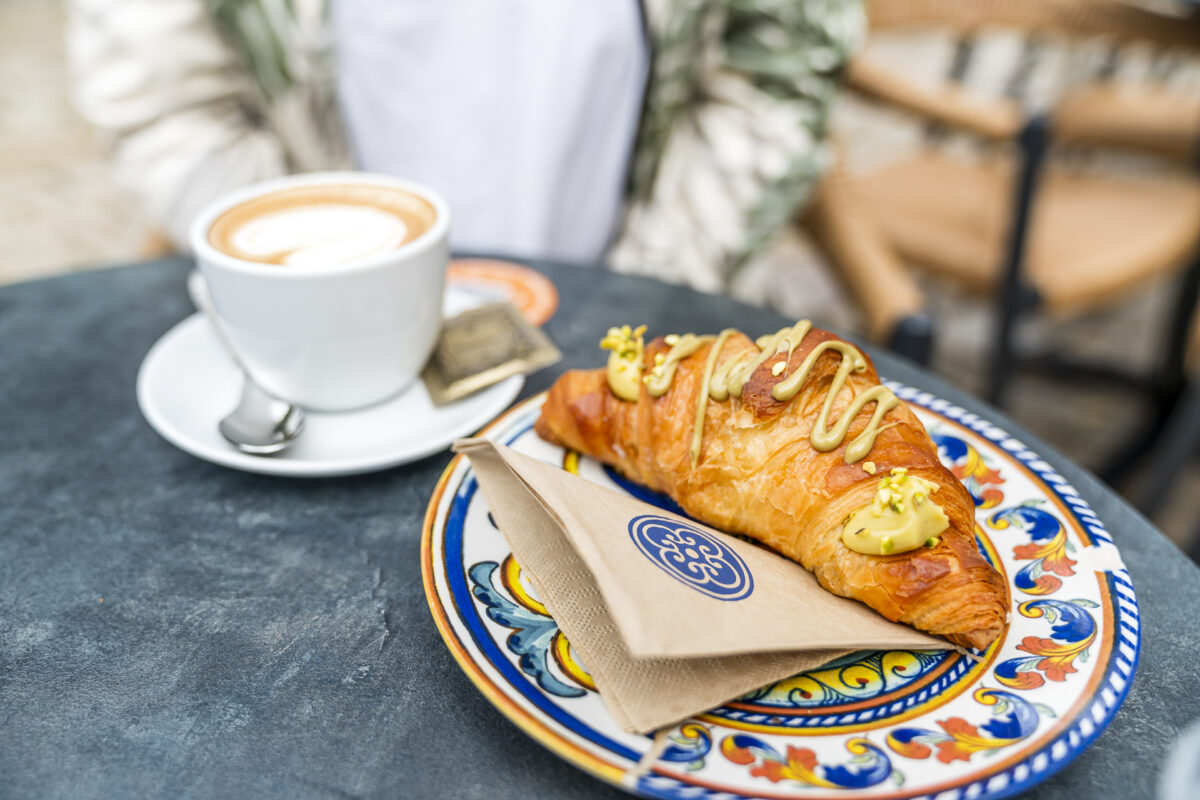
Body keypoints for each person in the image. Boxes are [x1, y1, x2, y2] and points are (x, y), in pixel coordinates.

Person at [66, 0, 862, 293]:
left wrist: (650, 290)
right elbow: (163, 98)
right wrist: (330, 298)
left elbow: (778, 65)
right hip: (334, 329)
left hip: (640, 309)